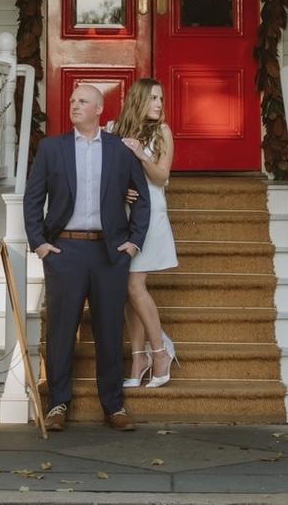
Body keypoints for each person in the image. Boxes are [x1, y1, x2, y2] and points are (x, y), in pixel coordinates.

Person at [23, 83, 151, 432]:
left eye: (82, 101)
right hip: (65, 250)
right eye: (71, 101)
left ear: (98, 109)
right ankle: (57, 404)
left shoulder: (119, 150)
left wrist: (133, 242)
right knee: (62, 330)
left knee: (110, 330)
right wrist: (40, 244)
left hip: (109, 252)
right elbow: (32, 199)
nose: (74, 105)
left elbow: (141, 197)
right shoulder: (52, 148)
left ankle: (114, 406)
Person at [112, 79, 179, 389]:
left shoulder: (161, 132)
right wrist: (118, 192)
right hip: (121, 217)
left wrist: (141, 154)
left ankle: (160, 352)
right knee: (128, 293)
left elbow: (161, 176)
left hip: (150, 214)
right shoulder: (114, 129)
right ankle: (139, 359)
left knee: (134, 284)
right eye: (153, 97)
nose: (159, 103)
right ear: (138, 99)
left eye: (161, 98)